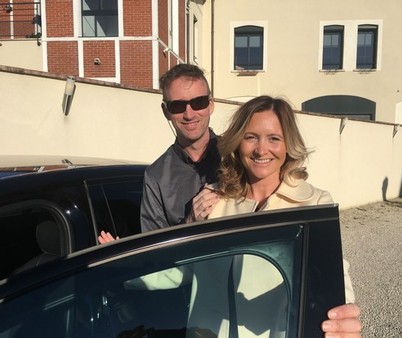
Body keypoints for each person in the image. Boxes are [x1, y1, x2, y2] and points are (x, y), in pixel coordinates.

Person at [99, 64, 362, 337]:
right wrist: (124, 264)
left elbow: (332, 277)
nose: (261, 149)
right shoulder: (218, 199)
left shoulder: (313, 202)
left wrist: (342, 316)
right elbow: (184, 269)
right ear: (238, 143)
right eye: (251, 138)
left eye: (274, 138)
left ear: (288, 145)